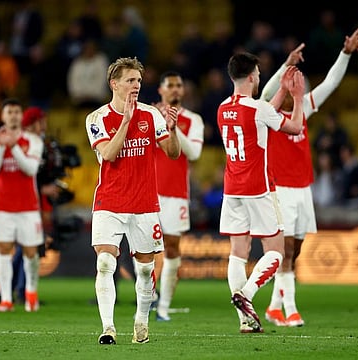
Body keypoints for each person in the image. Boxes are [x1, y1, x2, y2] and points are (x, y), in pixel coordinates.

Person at [260, 27, 358, 327]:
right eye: (291, 82)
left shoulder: (302, 109)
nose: (298, 86)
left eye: (299, 82)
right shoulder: (266, 113)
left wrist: (345, 54)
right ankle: (291, 309)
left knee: (294, 252)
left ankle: (273, 307)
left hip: (302, 189)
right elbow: (268, 91)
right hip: (279, 189)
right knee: (284, 251)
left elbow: (332, 82)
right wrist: (285, 65)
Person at [85, 57, 181, 345]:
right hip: (109, 203)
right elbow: (110, 154)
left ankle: (141, 322)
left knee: (145, 268)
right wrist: (126, 120)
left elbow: (173, 153)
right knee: (105, 262)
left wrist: (172, 130)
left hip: (144, 205)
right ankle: (108, 327)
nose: (137, 85)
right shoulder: (97, 118)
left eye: (139, 80)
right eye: (130, 80)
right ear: (114, 84)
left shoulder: (152, 115)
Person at [217, 53, 305, 333]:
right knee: (277, 253)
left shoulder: (222, 109)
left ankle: (245, 320)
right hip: (259, 188)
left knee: (238, 252)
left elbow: (261, 114)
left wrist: (282, 89)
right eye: (258, 73)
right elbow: (293, 127)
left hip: (232, 189)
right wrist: (298, 97)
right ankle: (248, 294)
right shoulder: (257, 109)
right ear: (253, 76)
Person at [0, 98, 44, 313]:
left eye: (17, 112)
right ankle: (6, 299)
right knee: (3, 251)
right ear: (3, 116)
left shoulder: (33, 141)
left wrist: (14, 146)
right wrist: (2, 147)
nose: (13, 116)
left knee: (31, 253)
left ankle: (31, 292)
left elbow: (30, 169)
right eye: (9, 112)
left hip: (28, 207)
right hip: (2, 207)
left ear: (21, 115)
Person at [153, 71, 204, 321]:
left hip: (175, 194)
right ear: (161, 90)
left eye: (178, 85)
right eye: (170, 85)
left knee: (172, 247)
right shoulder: (148, 117)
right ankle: (148, 297)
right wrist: (160, 119)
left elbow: (193, 152)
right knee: (143, 249)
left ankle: (163, 305)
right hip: (148, 192)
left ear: (183, 91)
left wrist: (172, 125)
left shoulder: (193, 120)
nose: (174, 89)